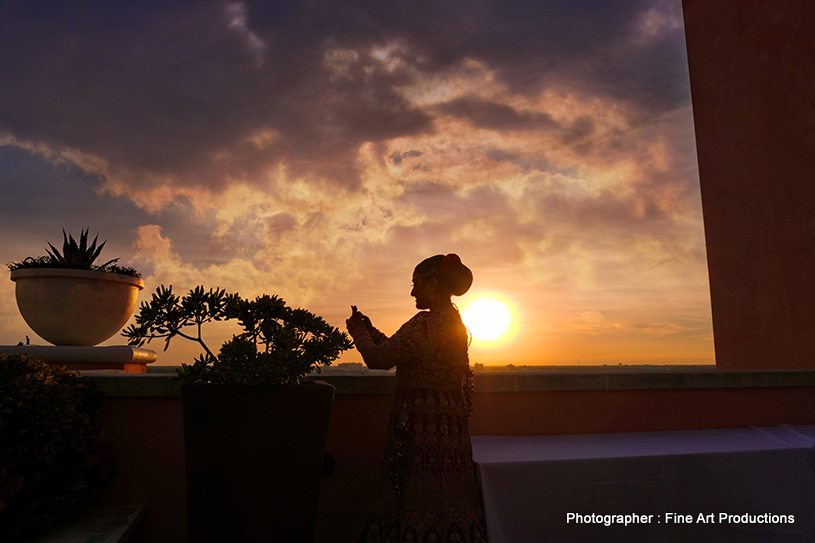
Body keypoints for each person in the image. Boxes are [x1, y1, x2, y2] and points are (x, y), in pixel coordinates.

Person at [346, 253, 488, 543]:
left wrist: (358, 332)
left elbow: (379, 359)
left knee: (416, 500)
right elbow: (405, 353)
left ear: (433, 284)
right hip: (450, 429)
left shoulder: (426, 323)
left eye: (416, 284)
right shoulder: (454, 323)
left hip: (422, 429)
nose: (413, 291)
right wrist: (373, 332)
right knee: (449, 501)